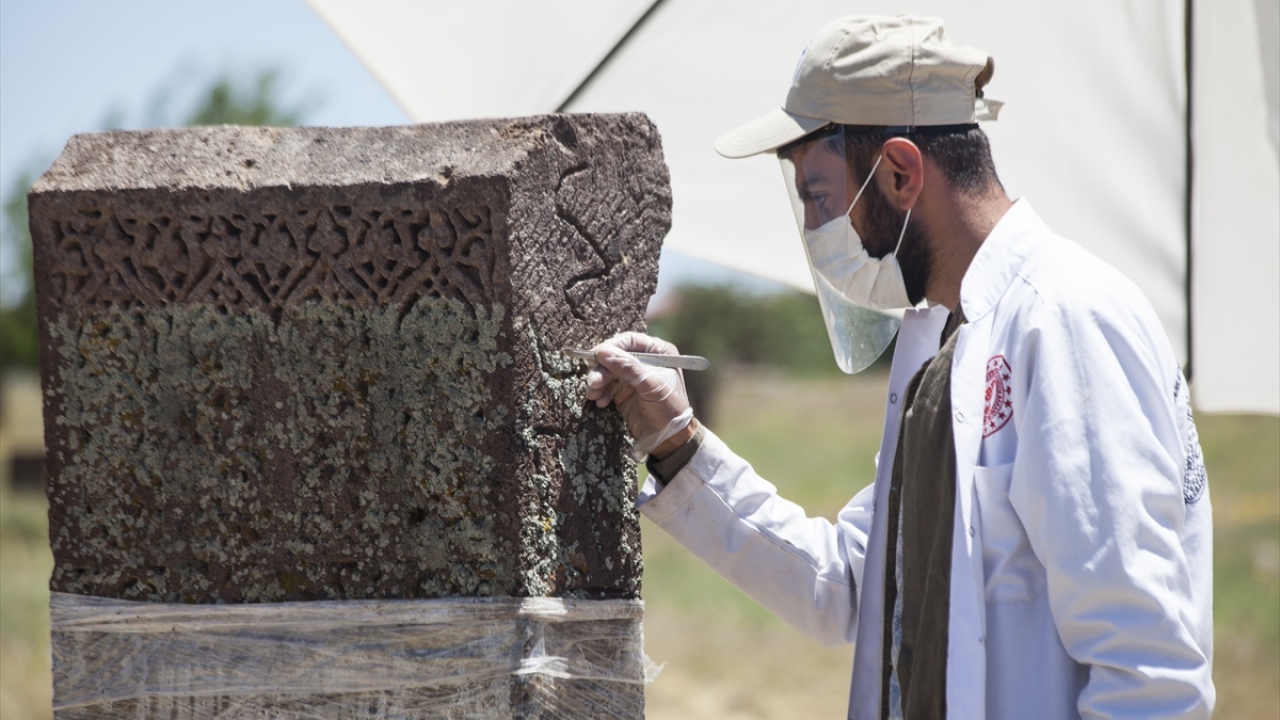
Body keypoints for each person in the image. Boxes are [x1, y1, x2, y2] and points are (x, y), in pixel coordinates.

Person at [584, 14, 1214, 720]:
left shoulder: (1064, 321)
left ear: (900, 172)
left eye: (820, 197)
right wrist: (677, 444)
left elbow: (1150, 677)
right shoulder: (949, 346)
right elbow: (850, 584)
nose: (821, 230)